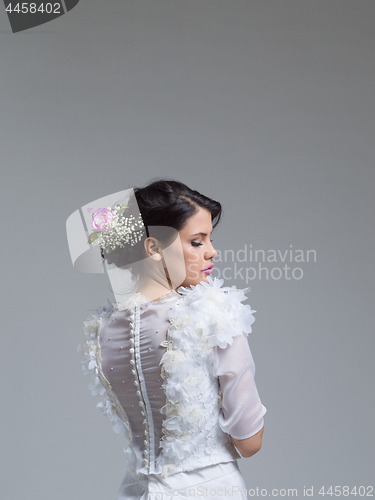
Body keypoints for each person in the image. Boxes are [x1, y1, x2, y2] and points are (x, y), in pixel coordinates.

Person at [67, 180, 266, 500]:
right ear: (153, 248)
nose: (212, 251)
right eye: (197, 242)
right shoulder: (214, 315)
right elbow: (249, 441)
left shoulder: (104, 330)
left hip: (137, 491)